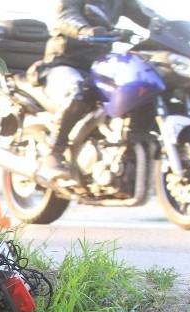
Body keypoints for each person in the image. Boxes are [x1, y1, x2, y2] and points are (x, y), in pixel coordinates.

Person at [41, 0, 162, 180]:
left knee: (136, 87)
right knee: (79, 92)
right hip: (65, 63)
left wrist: (164, 26)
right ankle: (54, 151)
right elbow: (66, 15)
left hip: (99, 66)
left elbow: (146, 16)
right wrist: (83, 29)